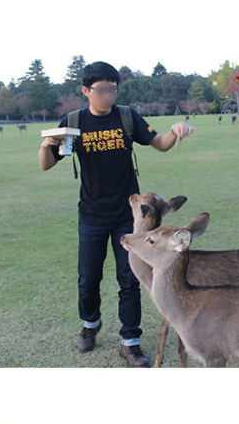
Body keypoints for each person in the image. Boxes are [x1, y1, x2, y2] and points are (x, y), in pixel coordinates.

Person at [38, 60, 194, 367]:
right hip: (92, 215)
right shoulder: (73, 121)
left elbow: (160, 143)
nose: (109, 95)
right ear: (86, 91)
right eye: (102, 90)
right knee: (88, 279)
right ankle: (90, 324)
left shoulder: (126, 116)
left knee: (130, 278)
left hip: (130, 217)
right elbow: (46, 163)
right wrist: (46, 145)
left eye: (113, 89)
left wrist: (175, 132)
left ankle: (130, 341)